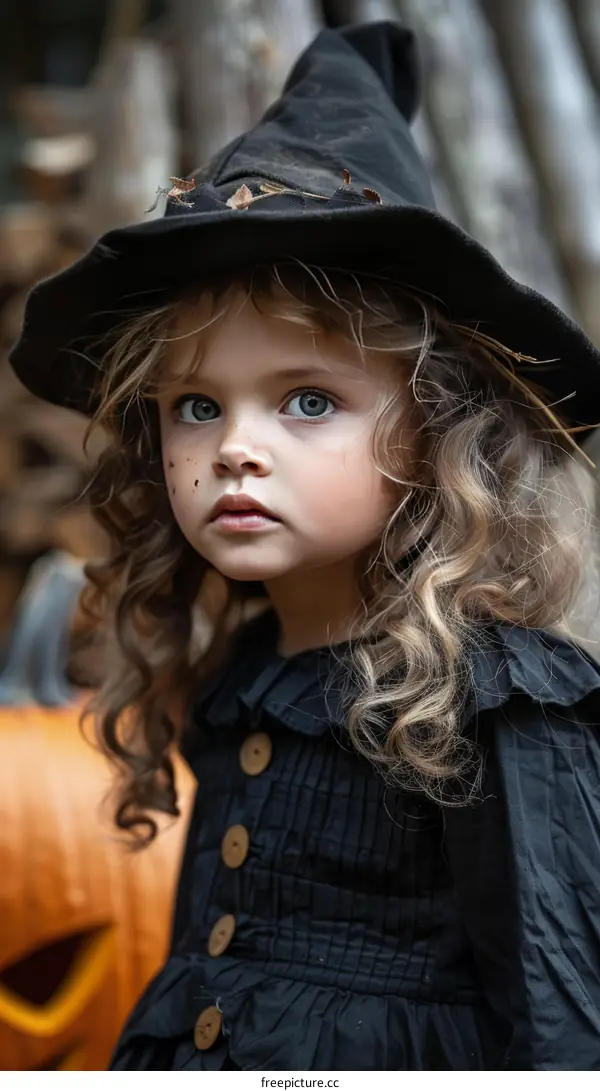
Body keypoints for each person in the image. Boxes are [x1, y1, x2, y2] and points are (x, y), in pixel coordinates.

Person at [9, 19, 600, 1073]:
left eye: (309, 399)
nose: (235, 447)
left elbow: (561, 1023)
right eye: (195, 405)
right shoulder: (242, 673)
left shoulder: (498, 697)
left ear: (436, 427)